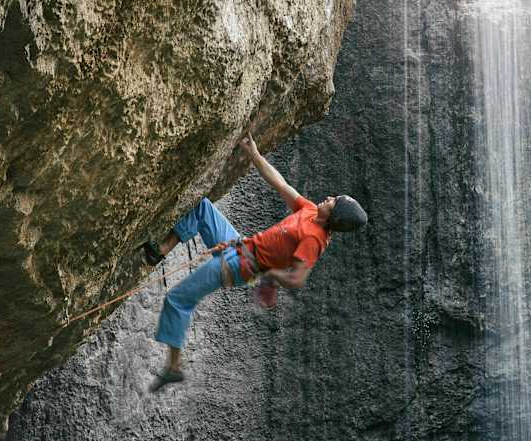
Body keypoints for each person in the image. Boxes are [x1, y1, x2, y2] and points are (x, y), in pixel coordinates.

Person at [142, 132, 367, 391]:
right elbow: (281, 184)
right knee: (202, 207)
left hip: (239, 266)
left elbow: (297, 278)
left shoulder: (314, 239)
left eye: (334, 201)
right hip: (240, 246)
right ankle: (160, 250)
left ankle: (173, 366)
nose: (329, 197)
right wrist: (255, 155)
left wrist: (271, 276)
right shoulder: (310, 211)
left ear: (335, 216)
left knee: (177, 299)